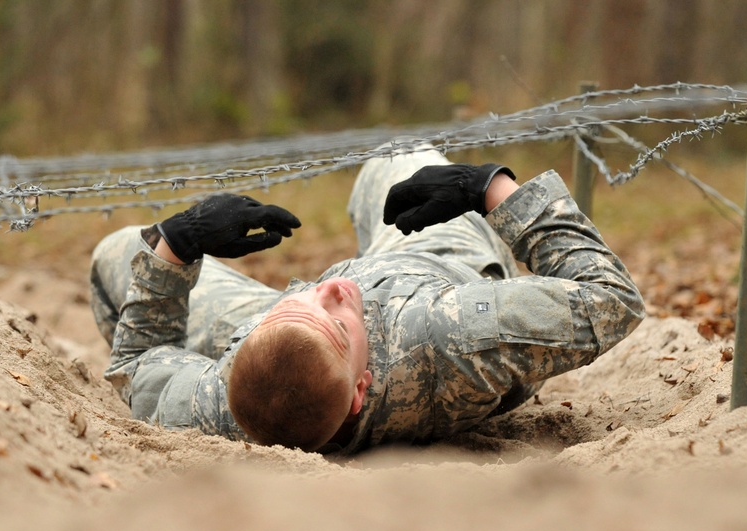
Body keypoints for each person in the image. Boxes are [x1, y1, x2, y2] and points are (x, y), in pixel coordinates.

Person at [90, 146, 645, 456]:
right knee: (397, 158)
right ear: (360, 391)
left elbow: (139, 366)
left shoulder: (221, 405)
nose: (327, 288)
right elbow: (612, 298)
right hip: (434, 264)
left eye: (297, 302)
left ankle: (305, 326)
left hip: (306, 344)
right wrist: (489, 190)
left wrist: (179, 243)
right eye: (335, 319)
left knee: (122, 250)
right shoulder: (453, 334)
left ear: (239, 353)